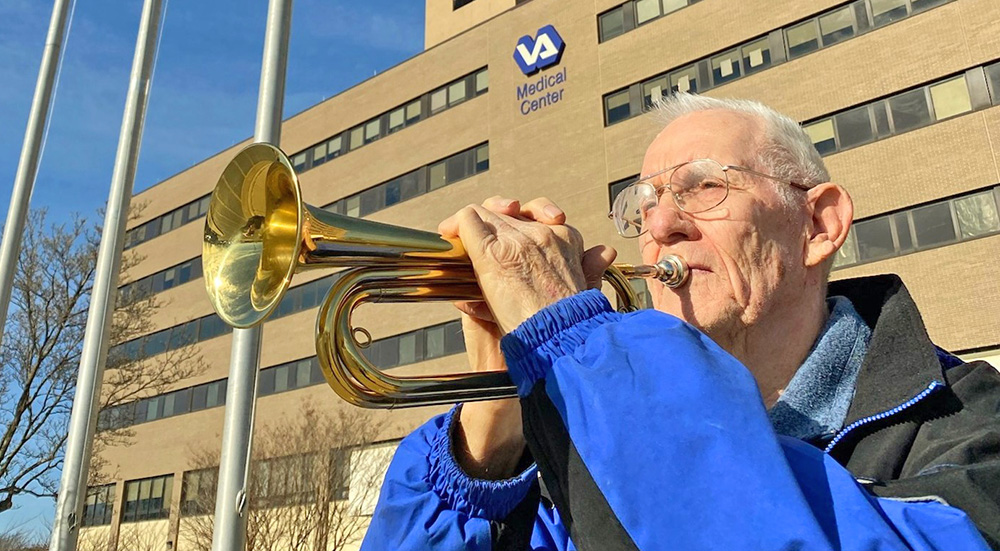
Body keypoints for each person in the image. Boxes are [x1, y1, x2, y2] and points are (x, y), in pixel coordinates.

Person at [359, 94, 1000, 551]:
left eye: (703, 187)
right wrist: (490, 448)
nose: (660, 228)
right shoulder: (581, 426)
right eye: (644, 204)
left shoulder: (972, 423)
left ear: (819, 224)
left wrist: (572, 345)